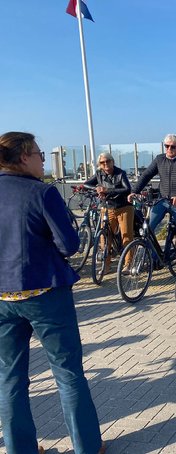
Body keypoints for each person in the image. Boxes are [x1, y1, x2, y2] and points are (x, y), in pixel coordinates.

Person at [0, 132, 105, 454]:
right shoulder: (42, 193)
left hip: (2, 297)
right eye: (39, 153)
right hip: (45, 292)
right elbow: (69, 244)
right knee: (67, 371)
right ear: (22, 157)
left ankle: (20, 449)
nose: (43, 159)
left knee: (10, 378)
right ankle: (87, 447)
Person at [128, 133, 176, 265]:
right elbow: (146, 175)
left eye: (173, 147)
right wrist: (134, 191)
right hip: (162, 200)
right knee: (148, 229)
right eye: (166, 146)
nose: (169, 149)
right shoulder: (159, 159)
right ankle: (155, 258)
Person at [84, 152, 134, 273]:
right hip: (107, 207)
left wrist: (107, 190)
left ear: (112, 162)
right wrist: (96, 188)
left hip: (123, 207)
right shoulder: (99, 174)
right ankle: (106, 265)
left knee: (126, 235)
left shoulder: (120, 173)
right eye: (102, 162)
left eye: (108, 161)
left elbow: (127, 188)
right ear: (99, 165)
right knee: (105, 236)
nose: (105, 164)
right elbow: (86, 184)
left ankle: (128, 264)